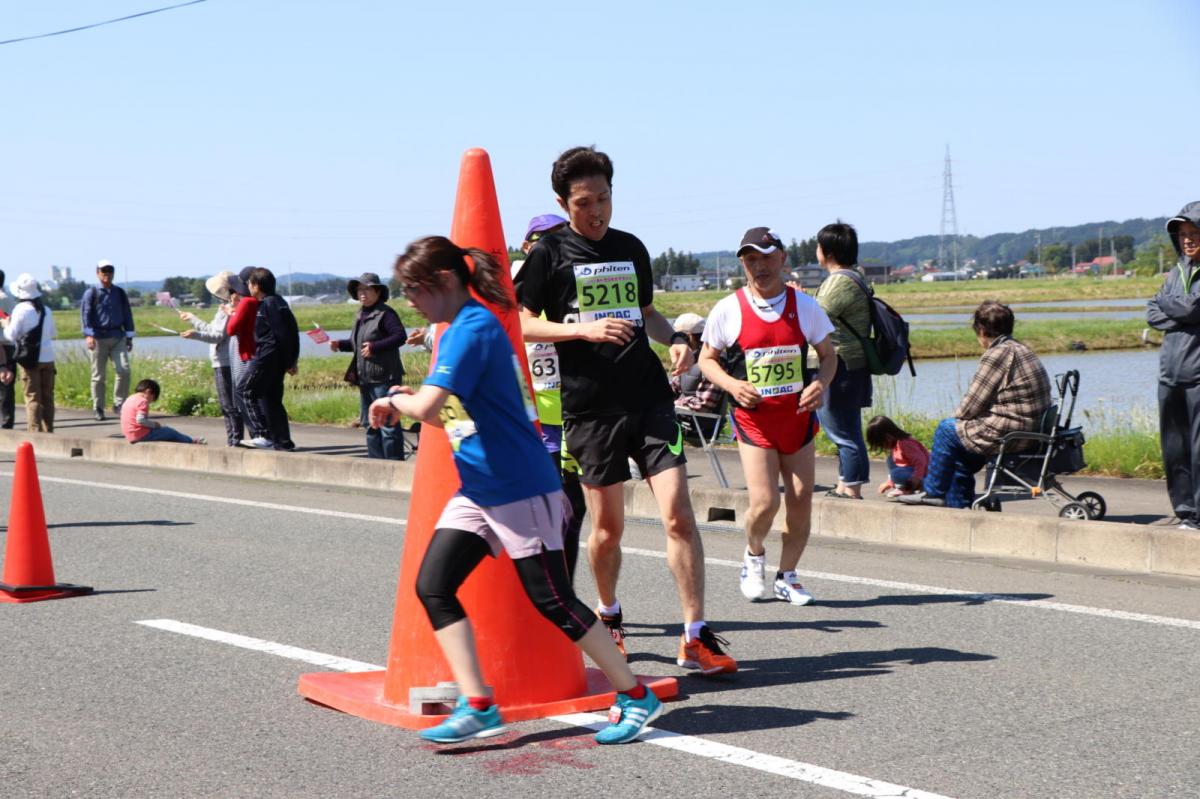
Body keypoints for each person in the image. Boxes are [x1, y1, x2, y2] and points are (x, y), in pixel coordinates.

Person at [373, 235, 662, 745]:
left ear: (443, 283)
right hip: (479, 488)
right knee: (433, 586)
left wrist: (396, 398)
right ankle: (479, 703)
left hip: (520, 486)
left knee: (552, 600)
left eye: (413, 290)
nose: (409, 301)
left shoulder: (470, 328)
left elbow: (425, 408)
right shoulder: (458, 327)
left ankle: (636, 696)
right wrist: (410, 401)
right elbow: (449, 415)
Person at [517, 146, 735, 674]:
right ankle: (609, 616)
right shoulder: (549, 254)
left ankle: (695, 634)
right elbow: (519, 321)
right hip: (590, 409)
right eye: (585, 202)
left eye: (605, 199)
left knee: (680, 516)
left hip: (650, 400)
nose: (597, 212)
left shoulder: (630, 247)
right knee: (608, 529)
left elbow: (646, 313)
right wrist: (582, 330)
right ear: (563, 203)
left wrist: (676, 339)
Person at [698, 227, 837, 605]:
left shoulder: (804, 306)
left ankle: (787, 576)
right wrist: (731, 384)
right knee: (764, 503)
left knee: (800, 498)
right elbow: (706, 360)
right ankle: (754, 555)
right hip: (754, 420)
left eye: (765, 256)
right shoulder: (728, 308)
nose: (759, 266)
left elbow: (829, 357)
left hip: (796, 419)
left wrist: (820, 385)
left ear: (783, 258)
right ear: (743, 263)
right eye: (750, 259)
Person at [900, 301, 1051, 508]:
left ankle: (932, 491)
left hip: (1011, 433)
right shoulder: (1021, 349)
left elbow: (970, 406)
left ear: (980, 330)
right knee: (957, 453)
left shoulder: (996, 354)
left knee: (946, 430)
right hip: (1030, 429)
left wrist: (956, 422)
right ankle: (960, 504)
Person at [511, 213, 587, 578]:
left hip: (574, 416)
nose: (550, 246)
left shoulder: (577, 289)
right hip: (534, 423)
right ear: (527, 247)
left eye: (559, 237)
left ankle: (563, 591)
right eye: (541, 239)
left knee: (573, 510)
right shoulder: (513, 292)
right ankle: (537, 592)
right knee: (538, 513)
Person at [1147, 201, 1200, 531]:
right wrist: (1179, 308)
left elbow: (1195, 309)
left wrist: (1172, 306)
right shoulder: (1174, 273)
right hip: (1170, 375)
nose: (1188, 240)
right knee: (1175, 449)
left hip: (1198, 376)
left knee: (1199, 451)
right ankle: (1185, 513)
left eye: (1194, 233)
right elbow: (1151, 312)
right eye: (1182, 234)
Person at [813, 222, 873, 499]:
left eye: (819, 246)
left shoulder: (839, 281)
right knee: (847, 428)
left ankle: (850, 486)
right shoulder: (855, 277)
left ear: (828, 251)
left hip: (840, 364)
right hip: (851, 363)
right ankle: (846, 483)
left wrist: (797, 297)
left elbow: (816, 316)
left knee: (841, 430)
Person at [330, 272, 408, 460]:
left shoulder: (386, 313)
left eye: (367, 289)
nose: (362, 293)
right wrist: (340, 345)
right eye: (359, 290)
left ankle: (393, 465)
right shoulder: (360, 314)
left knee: (387, 424)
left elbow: (400, 336)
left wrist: (375, 347)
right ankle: (376, 465)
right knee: (370, 424)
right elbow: (357, 343)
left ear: (378, 291)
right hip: (365, 378)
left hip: (385, 376)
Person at [179, 271, 246, 447]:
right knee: (228, 404)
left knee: (229, 405)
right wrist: (193, 319)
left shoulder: (227, 310)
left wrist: (195, 335)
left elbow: (216, 336)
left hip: (225, 361)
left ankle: (235, 440)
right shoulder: (225, 308)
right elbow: (213, 330)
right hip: (223, 360)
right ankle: (234, 439)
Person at [239, 268, 299, 451]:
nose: (248, 287)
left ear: (256, 285)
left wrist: (290, 361)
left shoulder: (270, 303)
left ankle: (262, 434)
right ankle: (282, 441)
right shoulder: (276, 302)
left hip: (267, 356)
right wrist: (291, 360)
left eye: (249, 284)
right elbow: (293, 332)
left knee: (245, 390)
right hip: (276, 358)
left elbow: (283, 333)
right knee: (271, 399)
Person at [80, 260, 135, 421]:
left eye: (110, 271)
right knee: (98, 376)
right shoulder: (91, 293)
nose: (107, 274)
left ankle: (119, 404)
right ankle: (98, 407)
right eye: (103, 271)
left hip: (118, 336)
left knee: (124, 370)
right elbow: (85, 315)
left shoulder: (119, 292)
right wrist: (89, 335)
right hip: (98, 338)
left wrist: (129, 335)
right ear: (97, 273)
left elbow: (127, 313)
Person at [3, 274, 56, 432]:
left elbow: (10, 335)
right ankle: (49, 431)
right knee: (47, 397)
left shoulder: (20, 309)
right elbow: (52, 333)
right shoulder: (46, 310)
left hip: (30, 361)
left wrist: (6, 324)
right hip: (48, 358)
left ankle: (34, 433)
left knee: (33, 397)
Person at [225, 266, 265, 444]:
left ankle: (259, 435)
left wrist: (232, 313)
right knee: (257, 396)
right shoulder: (261, 303)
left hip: (247, 355)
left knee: (244, 393)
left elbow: (231, 329)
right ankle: (264, 436)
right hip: (252, 353)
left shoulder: (247, 303)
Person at [121, 379, 206, 445]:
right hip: (140, 435)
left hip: (129, 434)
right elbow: (140, 420)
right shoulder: (143, 401)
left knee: (163, 431)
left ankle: (186, 440)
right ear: (148, 392)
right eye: (152, 399)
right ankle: (191, 441)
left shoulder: (130, 399)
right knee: (169, 432)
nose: (150, 402)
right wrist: (154, 425)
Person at [866, 415, 929, 498]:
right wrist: (890, 483)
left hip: (926, 475)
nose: (883, 447)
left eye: (882, 444)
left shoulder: (905, 443)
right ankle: (906, 487)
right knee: (890, 460)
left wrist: (916, 478)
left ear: (888, 437)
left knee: (897, 473)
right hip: (915, 474)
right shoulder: (895, 446)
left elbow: (921, 462)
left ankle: (918, 487)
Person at [0, 270, 17, 429]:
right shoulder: (10, 297)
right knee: (7, 386)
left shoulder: (1, 298)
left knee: (4, 385)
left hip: (2, 345)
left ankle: (6, 422)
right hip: (10, 344)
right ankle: (7, 419)